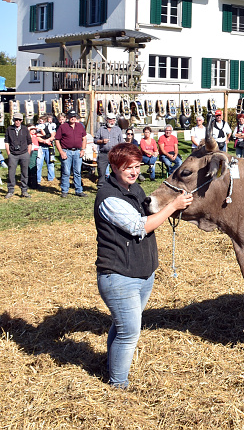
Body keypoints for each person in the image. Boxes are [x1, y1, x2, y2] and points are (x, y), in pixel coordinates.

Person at [95, 142, 193, 390]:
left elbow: (150, 213)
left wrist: (173, 203)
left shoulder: (132, 188)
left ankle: (111, 367)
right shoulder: (109, 199)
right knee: (129, 332)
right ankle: (118, 385)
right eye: (128, 167)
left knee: (123, 327)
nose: (134, 171)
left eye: (137, 166)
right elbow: (140, 226)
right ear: (115, 167)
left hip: (141, 273)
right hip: (119, 276)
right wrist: (172, 206)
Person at [55, 111, 87, 197]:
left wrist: (83, 150)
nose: (73, 118)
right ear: (68, 117)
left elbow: (84, 138)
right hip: (66, 151)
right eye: (71, 116)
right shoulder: (63, 127)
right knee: (66, 172)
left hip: (77, 151)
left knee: (77, 172)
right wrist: (61, 152)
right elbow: (57, 140)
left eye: (74, 116)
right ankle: (65, 190)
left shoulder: (80, 126)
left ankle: (79, 190)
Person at [4, 113, 34, 199]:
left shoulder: (25, 129)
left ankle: (24, 190)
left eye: (19, 120)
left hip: (24, 153)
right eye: (15, 120)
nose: (17, 121)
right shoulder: (9, 129)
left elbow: (29, 142)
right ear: (13, 120)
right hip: (13, 154)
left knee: (25, 173)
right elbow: (6, 141)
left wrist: (28, 153)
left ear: (21, 120)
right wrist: (8, 153)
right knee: (11, 173)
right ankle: (10, 190)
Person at [95, 114, 124, 188]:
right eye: (110, 120)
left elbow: (121, 142)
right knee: (101, 172)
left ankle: (116, 186)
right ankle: (101, 188)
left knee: (117, 171)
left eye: (113, 120)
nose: (112, 122)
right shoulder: (101, 129)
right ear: (106, 120)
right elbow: (95, 140)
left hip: (114, 154)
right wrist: (101, 141)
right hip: (103, 154)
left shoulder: (118, 129)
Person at [36, 113, 56, 185]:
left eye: (43, 121)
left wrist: (49, 140)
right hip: (41, 147)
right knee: (39, 164)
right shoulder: (37, 127)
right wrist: (44, 141)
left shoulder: (50, 126)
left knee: (50, 163)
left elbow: (53, 134)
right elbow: (36, 136)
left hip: (49, 146)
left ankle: (51, 179)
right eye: (40, 121)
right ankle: (38, 180)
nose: (41, 122)